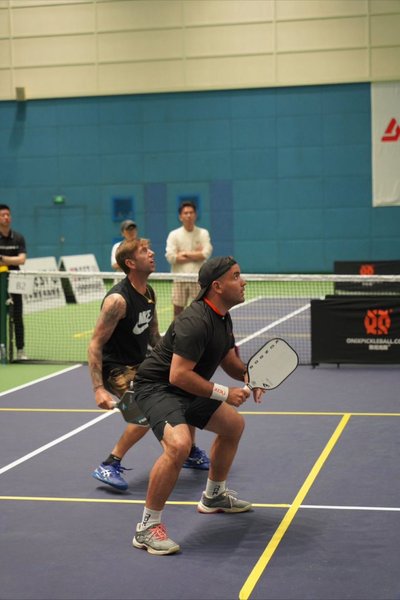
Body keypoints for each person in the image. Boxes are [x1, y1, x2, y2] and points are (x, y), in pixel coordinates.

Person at [131, 256, 265, 555]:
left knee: (233, 426)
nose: (243, 282)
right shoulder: (195, 321)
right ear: (217, 286)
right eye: (236, 276)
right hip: (158, 388)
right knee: (178, 446)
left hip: (185, 387)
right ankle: (147, 528)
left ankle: (214, 496)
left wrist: (250, 376)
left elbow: (228, 360)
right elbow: (177, 375)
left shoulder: (222, 316)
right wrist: (224, 393)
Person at [88, 238, 210, 492]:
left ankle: (187, 451)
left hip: (141, 363)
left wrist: (180, 357)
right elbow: (95, 344)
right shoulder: (118, 301)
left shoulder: (149, 293)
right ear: (131, 263)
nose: (152, 253)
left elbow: (155, 337)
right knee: (145, 414)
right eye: (145, 251)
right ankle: (109, 464)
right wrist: (98, 388)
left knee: (184, 388)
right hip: (117, 368)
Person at [165, 201, 212, 318]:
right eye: (185, 213)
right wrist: (197, 254)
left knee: (201, 309)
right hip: (179, 278)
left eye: (191, 212)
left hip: (198, 278)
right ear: (180, 216)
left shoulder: (203, 233)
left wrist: (183, 253)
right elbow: (171, 257)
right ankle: (176, 335)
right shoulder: (174, 235)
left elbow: (206, 253)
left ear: (195, 215)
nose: (189, 215)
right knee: (178, 311)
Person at [0, 204, 27, 360]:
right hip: (0, 282)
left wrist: (3, 259)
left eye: (8, 215)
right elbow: (17, 258)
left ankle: (20, 350)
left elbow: (22, 259)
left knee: (17, 316)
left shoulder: (18, 237)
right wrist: (13, 259)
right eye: (3, 215)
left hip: (16, 281)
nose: (6, 217)